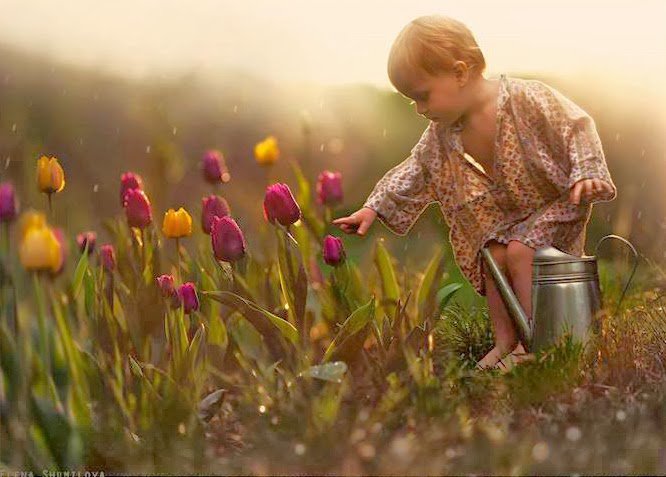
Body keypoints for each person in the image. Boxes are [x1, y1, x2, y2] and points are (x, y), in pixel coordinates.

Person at [332, 15, 617, 370]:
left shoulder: (526, 97)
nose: (421, 110)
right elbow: (417, 167)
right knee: (493, 255)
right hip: (513, 215)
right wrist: (373, 208)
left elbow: (575, 126)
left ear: (460, 72)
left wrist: (586, 172)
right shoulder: (446, 130)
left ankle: (537, 342)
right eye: (412, 103)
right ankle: (505, 341)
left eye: (423, 96)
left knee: (519, 251)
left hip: (558, 201)